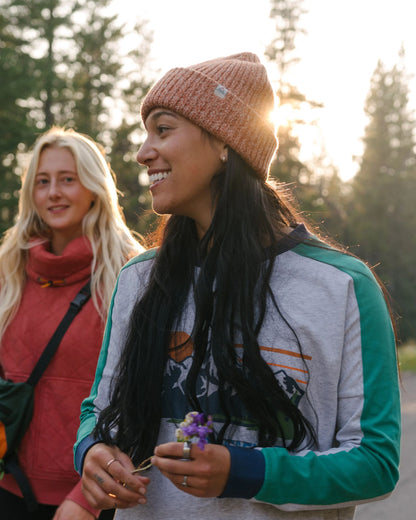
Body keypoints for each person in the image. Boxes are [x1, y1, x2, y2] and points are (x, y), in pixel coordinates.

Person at [75, 53, 401, 519]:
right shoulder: (138, 279)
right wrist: (91, 452)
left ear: (226, 143)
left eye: (163, 130)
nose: (144, 151)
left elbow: (375, 463)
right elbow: (98, 407)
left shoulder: (343, 287)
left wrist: (245, 472)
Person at [0, 127, 145, 520]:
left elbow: (141, 394)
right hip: (9, 484)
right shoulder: (9, 266)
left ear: (95, 188)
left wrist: (87, 494)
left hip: (90, 496)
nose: (53, 193)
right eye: (42, 182)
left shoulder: (131, 272)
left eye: (68, 179)